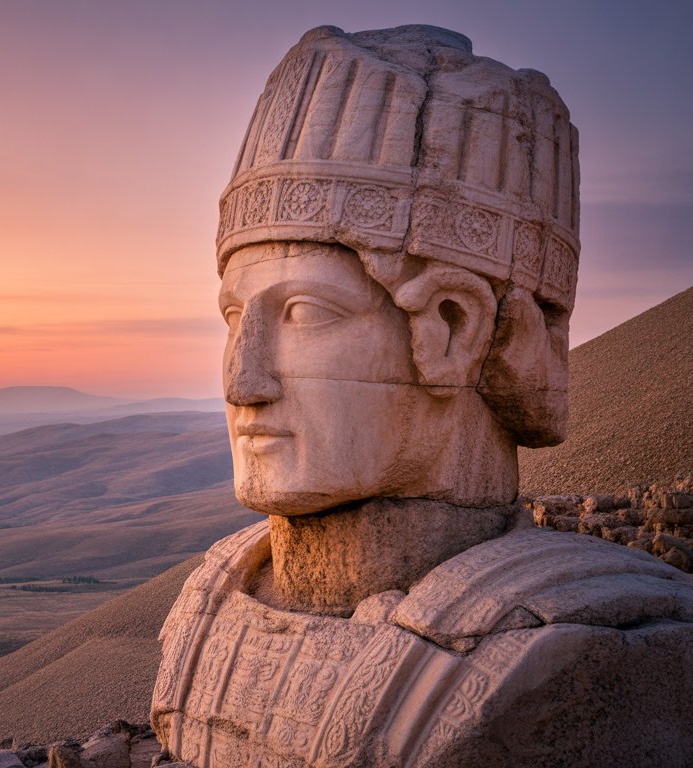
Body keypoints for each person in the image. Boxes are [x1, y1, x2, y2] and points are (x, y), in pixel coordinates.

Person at [152, 25, 693, 767]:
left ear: (451, 327)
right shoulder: (211, 601)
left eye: (305, 313)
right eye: (235, 318)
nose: (244, 382)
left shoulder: (585, 641)